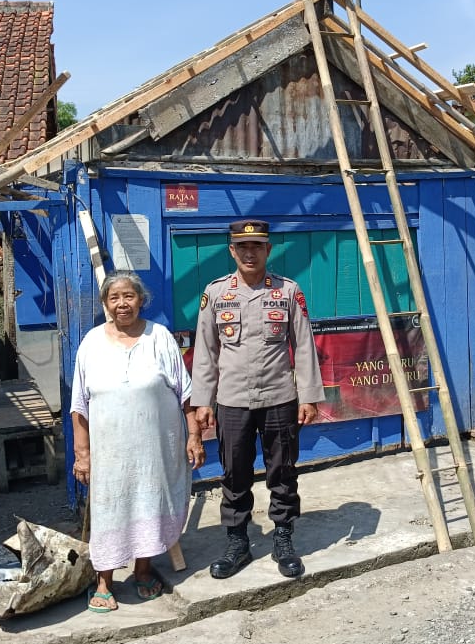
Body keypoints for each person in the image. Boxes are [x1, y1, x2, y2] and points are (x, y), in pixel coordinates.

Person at [191, 220, 325, 580]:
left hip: (279, 397)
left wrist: (309, 396)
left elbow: (304, 346)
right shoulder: (216, 293)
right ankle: (237, 543)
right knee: (234, 472)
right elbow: (205, 351)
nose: (250, 253)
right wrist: (202, 400)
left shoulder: (287, 291)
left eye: (257, 246)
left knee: (282, 471)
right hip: (232, 400)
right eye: (242, 247)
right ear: (232, 251)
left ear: (268, 250)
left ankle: (283, 538)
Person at [71, 271, 205, 613]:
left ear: (140, 300)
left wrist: (194, 435)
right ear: (105, 304)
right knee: (109, 510)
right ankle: (105, 581)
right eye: (114, 298)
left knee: (149, 506)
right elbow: (79, 407)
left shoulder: (159, 338)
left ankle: (144, 571)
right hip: (110, 453)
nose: (122, 304)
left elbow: (185, 395)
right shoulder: (91, 343)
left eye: (128, 296)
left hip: (154, 451)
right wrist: (82, 455)